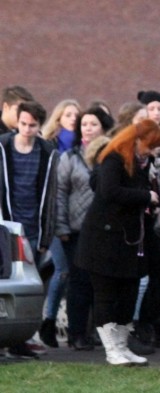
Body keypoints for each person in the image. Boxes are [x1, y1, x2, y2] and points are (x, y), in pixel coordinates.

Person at [75, 119, 160, 366]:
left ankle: (122, 346)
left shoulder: (141, 163)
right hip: (103, 241)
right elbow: (109, 191)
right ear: (136, 141)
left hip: (129, 241)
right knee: (105, 295)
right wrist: (145, 196)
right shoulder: (114, 158)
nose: (150, 152)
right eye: (149, 146)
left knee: (127, 294)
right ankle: (111, 349)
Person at [0, 100, 59, 359]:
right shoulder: (2, 147)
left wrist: (46, 236)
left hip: (32, 226)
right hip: (4, 225)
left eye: (32, 125)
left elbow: (51, 195)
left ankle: (18, 340)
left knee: (25, 286)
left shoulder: (47, 152)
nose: (26, 129)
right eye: (22, 124)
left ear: (40, 126)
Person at [54, 106, 115, 351]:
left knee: (101, 284)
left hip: (105, 230)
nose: (88, 129)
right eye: (84, 125)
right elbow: (59, 193)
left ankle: (97, 332)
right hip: (77, 230)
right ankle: (77, 333)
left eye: (93, 124)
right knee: (79, 283)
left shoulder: (111, 157)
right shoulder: (70, 158)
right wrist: (61, 226)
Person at [38, 99, 82, 348]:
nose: (73, 118)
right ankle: (48, 321)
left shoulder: (79, 148)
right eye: (68, 114)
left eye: (76, 114)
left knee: (70, 273)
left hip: (73, 220)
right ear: (58, 118)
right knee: (62, 269)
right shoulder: (50, 146)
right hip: (53, 218)